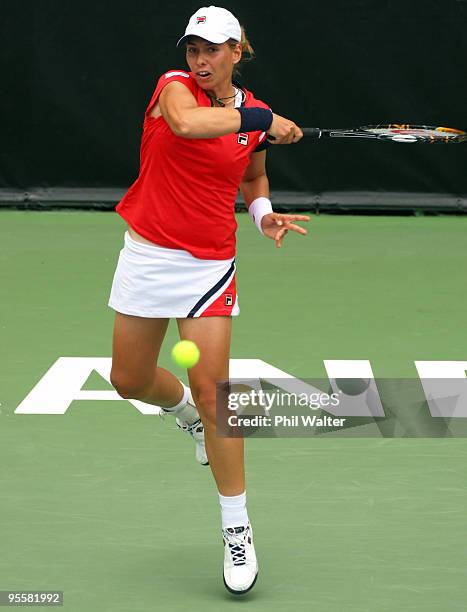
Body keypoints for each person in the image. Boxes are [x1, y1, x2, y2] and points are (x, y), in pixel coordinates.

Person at [108, 5, 309, 595]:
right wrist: (262, 116)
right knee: (128, 379)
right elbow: (191, 126)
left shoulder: (252, 115)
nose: (199, 61)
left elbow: (251, 177)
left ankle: (237, 528)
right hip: (147, 254)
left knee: (216, 392)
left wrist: (264, 214)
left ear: (236, 52)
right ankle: (183, 418)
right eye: (193, 49)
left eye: (212, 50)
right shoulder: (172, 89)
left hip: (209, 265)